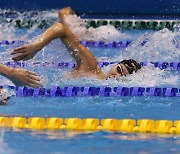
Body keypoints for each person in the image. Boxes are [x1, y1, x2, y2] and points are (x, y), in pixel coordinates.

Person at [11, 7, 141, 80]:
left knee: (66, 16)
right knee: (65, 14)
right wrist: (37, 46)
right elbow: (59, 28)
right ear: (115, 64)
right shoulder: (91, 67)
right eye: (119, 69)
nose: (116, 76)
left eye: (122, 76)